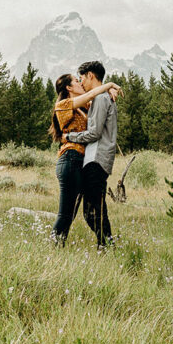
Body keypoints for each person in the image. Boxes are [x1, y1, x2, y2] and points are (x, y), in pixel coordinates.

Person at [49, 72, 121, 244]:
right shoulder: (63, 104)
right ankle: (53, 247)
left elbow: (98, 102)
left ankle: (105, 242)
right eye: (76, 81)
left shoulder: (84, 107)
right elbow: (91, 93)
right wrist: (110, 84)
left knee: (76, 211)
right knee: (66, 213)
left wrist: (111, 92)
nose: (80, 83)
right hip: (70, 158)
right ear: (68, 88)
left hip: (81, 161)